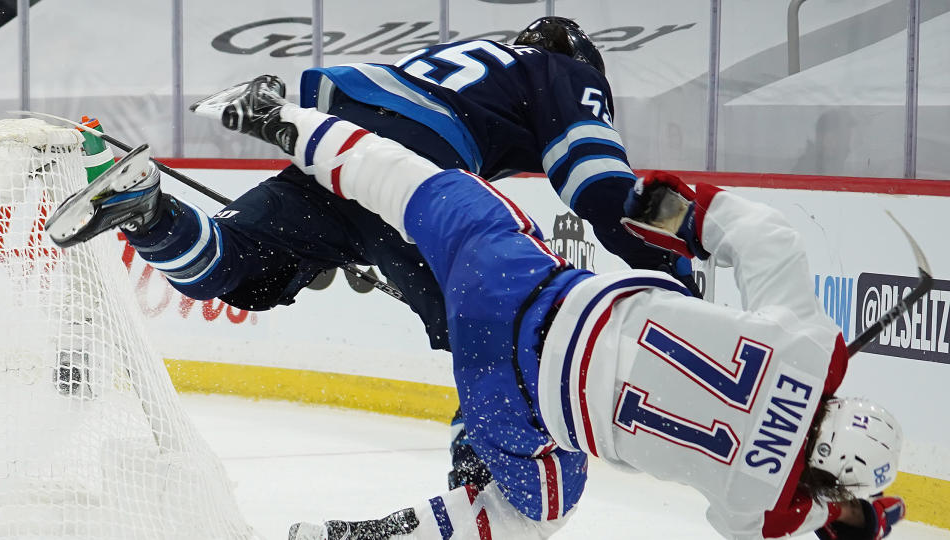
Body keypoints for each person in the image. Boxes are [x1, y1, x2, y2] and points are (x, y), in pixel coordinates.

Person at [48, 85, 908, 540]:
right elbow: (797, 521)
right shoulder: (766, 504)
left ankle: (281, 119)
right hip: (507, 386)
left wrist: (671, 213)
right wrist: (857, 515)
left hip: (519, 274)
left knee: (411, 183)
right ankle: (358, 535)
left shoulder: (811, 345)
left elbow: (768, 241)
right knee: (532, 512)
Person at [46, 17, 700, 493]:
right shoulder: (565, 72)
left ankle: (148, 210)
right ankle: (480, 496)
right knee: (496, 334)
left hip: (332, 137)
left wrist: (364, 227)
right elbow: (599, 186)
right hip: (411, 162)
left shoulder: (470, 56)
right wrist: (674, 276)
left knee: (241, 269)